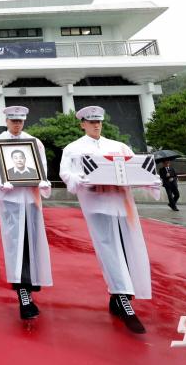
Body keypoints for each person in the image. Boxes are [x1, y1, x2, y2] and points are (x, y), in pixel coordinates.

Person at [59, 106, 160, 333]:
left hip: (122, 203)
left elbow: (135, 169)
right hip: (98, 205)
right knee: (109, 251)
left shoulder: (118, 146)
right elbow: (66, 174)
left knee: (128, 250)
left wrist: (149, 180)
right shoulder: (73, 149)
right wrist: (79, 180)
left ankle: (117, 297)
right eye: (91, 121)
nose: (96, 125)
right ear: (82, 124)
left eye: (99, 121)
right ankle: (124, 299)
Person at [0, 106, 53, 320]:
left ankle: (31, 284)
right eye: (13, 120)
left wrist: (42, 180)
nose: (17, 124)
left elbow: (41, 167)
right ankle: (22, 291)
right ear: (7, 120)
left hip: (30, 200)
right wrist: (0, 182)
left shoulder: (34, 142)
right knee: (16, 245)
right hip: (11, 201)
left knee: (32, 243)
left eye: (20, 121)